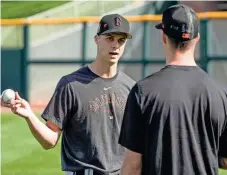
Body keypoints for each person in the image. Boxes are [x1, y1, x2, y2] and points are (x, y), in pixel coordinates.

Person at [1, 14, 135, 175]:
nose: (115, 45)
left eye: (121, 40)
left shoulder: (130, 87)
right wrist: (29, 115)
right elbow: (49, 141)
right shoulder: (71, 85)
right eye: (110, 38)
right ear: (97, 39)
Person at [119, 4, 227, 175]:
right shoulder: (219, 94)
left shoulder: (143, 91)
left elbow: (133, 165)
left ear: (163, 36)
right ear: (197, 37)